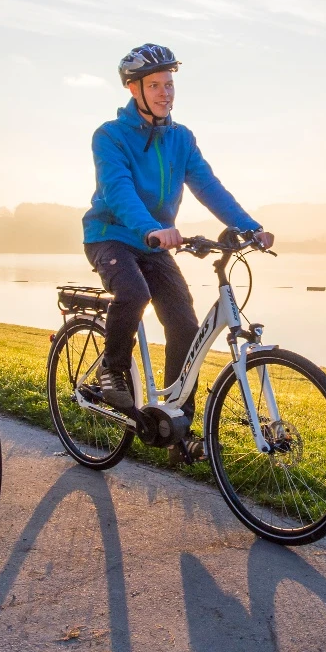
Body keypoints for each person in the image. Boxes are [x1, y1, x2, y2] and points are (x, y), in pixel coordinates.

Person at [82, 43, 273, 417]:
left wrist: (250, 227)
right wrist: (152, 228)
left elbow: (208, 186)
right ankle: (112, 369)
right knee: (133, 293)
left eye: (169, 85)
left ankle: (177, 420)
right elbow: (117, 190)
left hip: (155, 244)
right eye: (154, 85)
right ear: (133, 89)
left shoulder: (181, 138)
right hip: (111, 236)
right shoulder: (110, 136)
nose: (164, 93)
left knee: (184, 325)